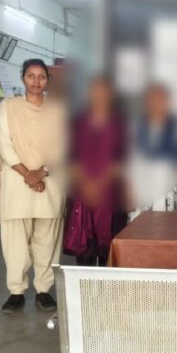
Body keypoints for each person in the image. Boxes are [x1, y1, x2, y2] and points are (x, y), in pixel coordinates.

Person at [0, 59, 66, 314]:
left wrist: (41, 172)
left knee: (47, 238)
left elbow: (63, 146)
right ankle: (16, 292)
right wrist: (28, 174)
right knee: (15, 240)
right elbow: (4, 143)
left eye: (41, 76)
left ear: (48, 80)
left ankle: (44, 290)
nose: (36, 81)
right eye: (31, 76)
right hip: (17, 180)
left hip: (51, 179)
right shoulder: (8, 107)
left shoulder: (58, 110)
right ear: (23, 78)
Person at [63, 76, 128, 267]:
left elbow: (123, 158)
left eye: (104, 90)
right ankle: (85, 286)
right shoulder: (77, 122)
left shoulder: (121, 123)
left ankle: (106, 286)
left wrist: (100, 184)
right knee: (84, 251)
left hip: (111, 192)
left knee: (110, 250)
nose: (100, 95)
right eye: (95, 90)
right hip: (83, 192)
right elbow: (71, 156)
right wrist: (86, 184)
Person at [128, 83, 177, 217]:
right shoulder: (137, 125)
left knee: (170, 225)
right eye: (153, 99)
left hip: (170, 185)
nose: (157, 103)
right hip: (143, 184)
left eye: (161, 98)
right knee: (142, 225)